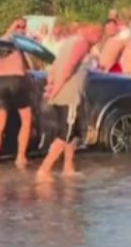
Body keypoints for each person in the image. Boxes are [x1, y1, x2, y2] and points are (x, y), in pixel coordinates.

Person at [36, 23, 97, 179]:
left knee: (73, 133)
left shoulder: (66, 43)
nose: (98, 37)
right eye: (96, 33)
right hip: (69, 96)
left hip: (68, 95)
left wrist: (50, 84)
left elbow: (54, 66)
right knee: (65, 134)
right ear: (84, 31)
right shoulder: (81, 43)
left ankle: (68, 168)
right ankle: (44, 170)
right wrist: (55, 90)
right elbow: (68, 68)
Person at [0, 19, 35, 168]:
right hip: (16, 80)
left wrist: (12, 29)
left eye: (23, 27)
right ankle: (20, 157)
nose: (21, 29)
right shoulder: (12, 42)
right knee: (25, 121)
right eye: (18, 26)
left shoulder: (10, 42)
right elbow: (30, 67)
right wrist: (12, 30)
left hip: (1, 82)